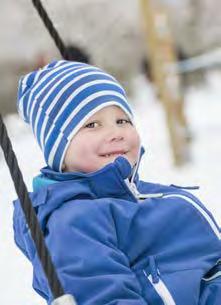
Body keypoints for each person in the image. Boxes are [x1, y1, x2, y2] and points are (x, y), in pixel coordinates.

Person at [13, 60, 221, 305]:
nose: (115, 132)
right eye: (92, 125)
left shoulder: (151, 196)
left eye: (122, 121)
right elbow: (103, 297)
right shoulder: (73, 223)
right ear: (58, 148)